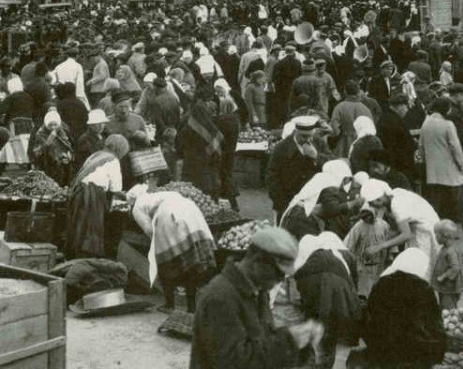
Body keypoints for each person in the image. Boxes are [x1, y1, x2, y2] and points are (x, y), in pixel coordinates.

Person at [190, 227, 323, 369]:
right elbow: (232, 362)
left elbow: (262, 344)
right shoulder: (219, 298)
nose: (279, 281)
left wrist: (300, 343)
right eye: (278, 273)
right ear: (257, 261)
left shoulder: (259, 293)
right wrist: (289, 340)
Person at [127, 185, 216, 313]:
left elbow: (149, 230)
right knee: (191, 261)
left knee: (165, 262)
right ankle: (191, 306)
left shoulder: (136, 207)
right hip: (190, 210)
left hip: (169, 215)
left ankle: (170, 304)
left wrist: (155, 247)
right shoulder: (158, 195)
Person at [358, 248, 446, 369]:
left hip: (382, 347)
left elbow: (370, 314)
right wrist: (439, 352)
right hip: (413, 351)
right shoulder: (424, 289)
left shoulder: (381, 284)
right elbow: (434, 324)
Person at [294, 232, 361, 369]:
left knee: (320, 331)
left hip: (314, 290)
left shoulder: (307, 253)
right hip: (344, 300)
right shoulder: (341, 256)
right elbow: (353, 284)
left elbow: (298, 280)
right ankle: (335, 362)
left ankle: (319, 360)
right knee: (340, 338)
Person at [359, 179, 440, 278]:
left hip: (427, 230)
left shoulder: (397, 205)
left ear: (379, 199)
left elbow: (406, 235)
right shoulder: (394, 193)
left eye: (372, 204)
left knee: (422, 267)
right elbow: (399, 228)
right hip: (418, 227)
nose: (373, 207)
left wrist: (379, 246)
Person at [66, 134, 129, 258]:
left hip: (78, 191)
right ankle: (88, 255)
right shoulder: (112, 160)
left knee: (80, 222)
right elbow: (116, 189)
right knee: (92, 224)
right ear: (120, 149)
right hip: (92, 193)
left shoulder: (94, 155)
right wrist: (127, 196)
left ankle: (75, 252)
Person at [267, 115, 332, 221]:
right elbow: (272, 175)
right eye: (304, 136)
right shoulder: (282, 147)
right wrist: (280, 201)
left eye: (310, 135)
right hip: (288, 200)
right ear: (295, 132)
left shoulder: (318, 142)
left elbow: (332, 164)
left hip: (313, 200)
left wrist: (316, 156)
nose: (308, 140)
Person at [280, 160, 359, 241]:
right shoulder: (330, 183)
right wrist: (353, 203)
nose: (345, 183)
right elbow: (332, 209)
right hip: (303, 218)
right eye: (345, 179)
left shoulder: (320, 179)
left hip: (294, 214)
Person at [419, 96, 463, 221]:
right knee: (455, 196)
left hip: (432, 167)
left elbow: (421, 146)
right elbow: (455, 147)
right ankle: (457, 220)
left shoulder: (426, 123)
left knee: (436, 197)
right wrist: (461, 164)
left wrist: (424, 161)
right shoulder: (448, 125)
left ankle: (436, 220)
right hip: (449, 166)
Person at [178, 84, 222, 199]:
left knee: (195, 183)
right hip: (203, 153)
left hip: (193, 154)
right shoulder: (203, 110)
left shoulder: (192, 112)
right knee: (207, 181)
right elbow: (213, 133)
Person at [344, 195, 392, 298]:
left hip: (379, 263)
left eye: (369, 215)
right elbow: (350, 244)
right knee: (363, 289)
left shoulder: (384, 225)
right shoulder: (358, 227)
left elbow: (390, 241)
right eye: (365, 216)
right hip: (363, 264)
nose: (367, 218)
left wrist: (390, 256)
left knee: (377, 287)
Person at [213, 78, 240, 211]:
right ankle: (231, 202)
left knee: (223, 175)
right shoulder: (235, 120)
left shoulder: (221, 120)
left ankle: (232, 202)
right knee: (227, 173)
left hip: (222, 151)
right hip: (231, 149)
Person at [376, 93, 415, 181]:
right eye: (406, 107)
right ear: (400, 106)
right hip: (400, 165)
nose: (407, 110)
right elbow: (407, 143)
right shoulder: (396, 122)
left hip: (388, 163)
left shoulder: (384, 118)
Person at [31, 108, 74, 186]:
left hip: (63, 166)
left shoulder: (61, 132)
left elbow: (68, 146)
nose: (53, 127)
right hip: (48, 166)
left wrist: (68, 155)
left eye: (55, 125)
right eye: (50, 125)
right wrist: (48, 142)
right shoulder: (40, 134)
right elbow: (37, 153)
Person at [330, 80, 373, 158]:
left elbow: (334, 125)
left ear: (345, 92)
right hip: (361, 143)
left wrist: (338, 136)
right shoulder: (365, 109)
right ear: (358, 92)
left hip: (344, 142)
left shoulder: (339, 107)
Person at [431, 219, 463, 310]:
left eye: (436, 234)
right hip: (444, 287)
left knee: (448, 308)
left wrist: (444, 276)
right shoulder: (445, 248)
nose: (435, 237)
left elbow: (456, 268)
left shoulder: (451, 251)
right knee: (443, 305)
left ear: (445, 236)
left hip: (449, 287)